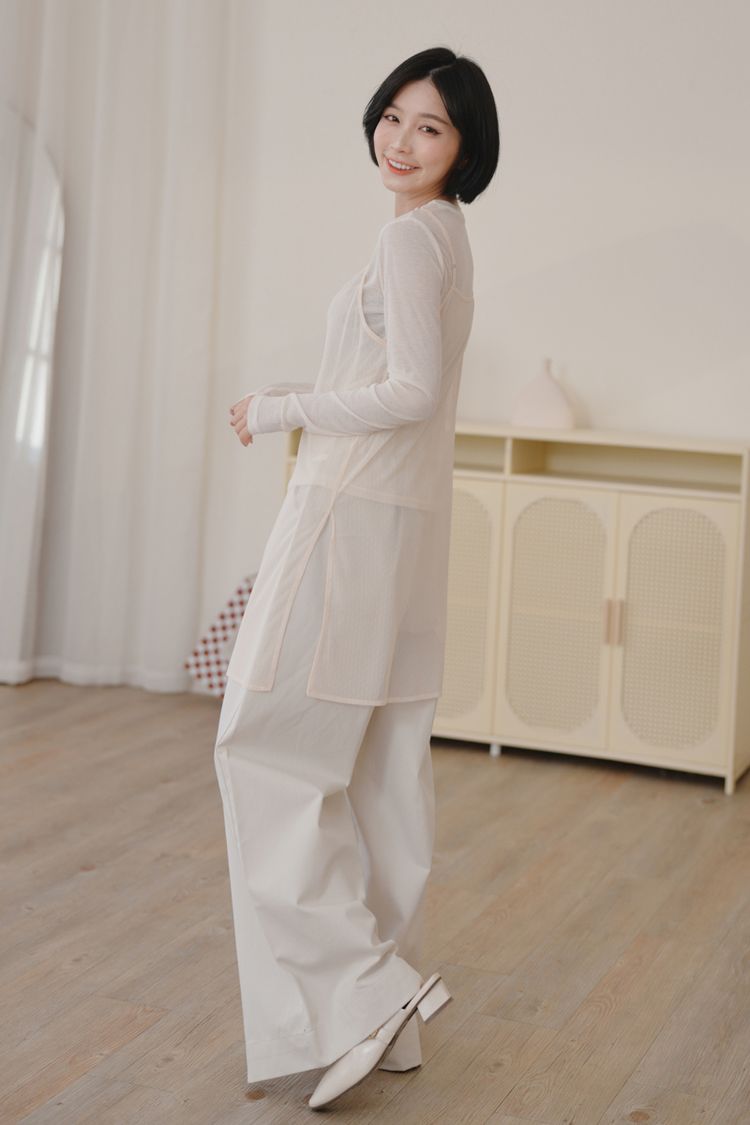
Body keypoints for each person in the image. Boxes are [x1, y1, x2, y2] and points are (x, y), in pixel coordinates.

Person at [214, 45, 500, 1110]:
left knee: (262, 745)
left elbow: (409, 389)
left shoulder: (409, 241)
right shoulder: (446, 235)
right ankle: (390, 1028)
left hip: (347, 518)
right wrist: (300, 389)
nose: (402, 140)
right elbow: (388, 379)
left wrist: (281, 409)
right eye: (393, 116)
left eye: (431, 126)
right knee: (382, 775)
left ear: (465, 145)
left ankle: (365, 993)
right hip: (404, 529)